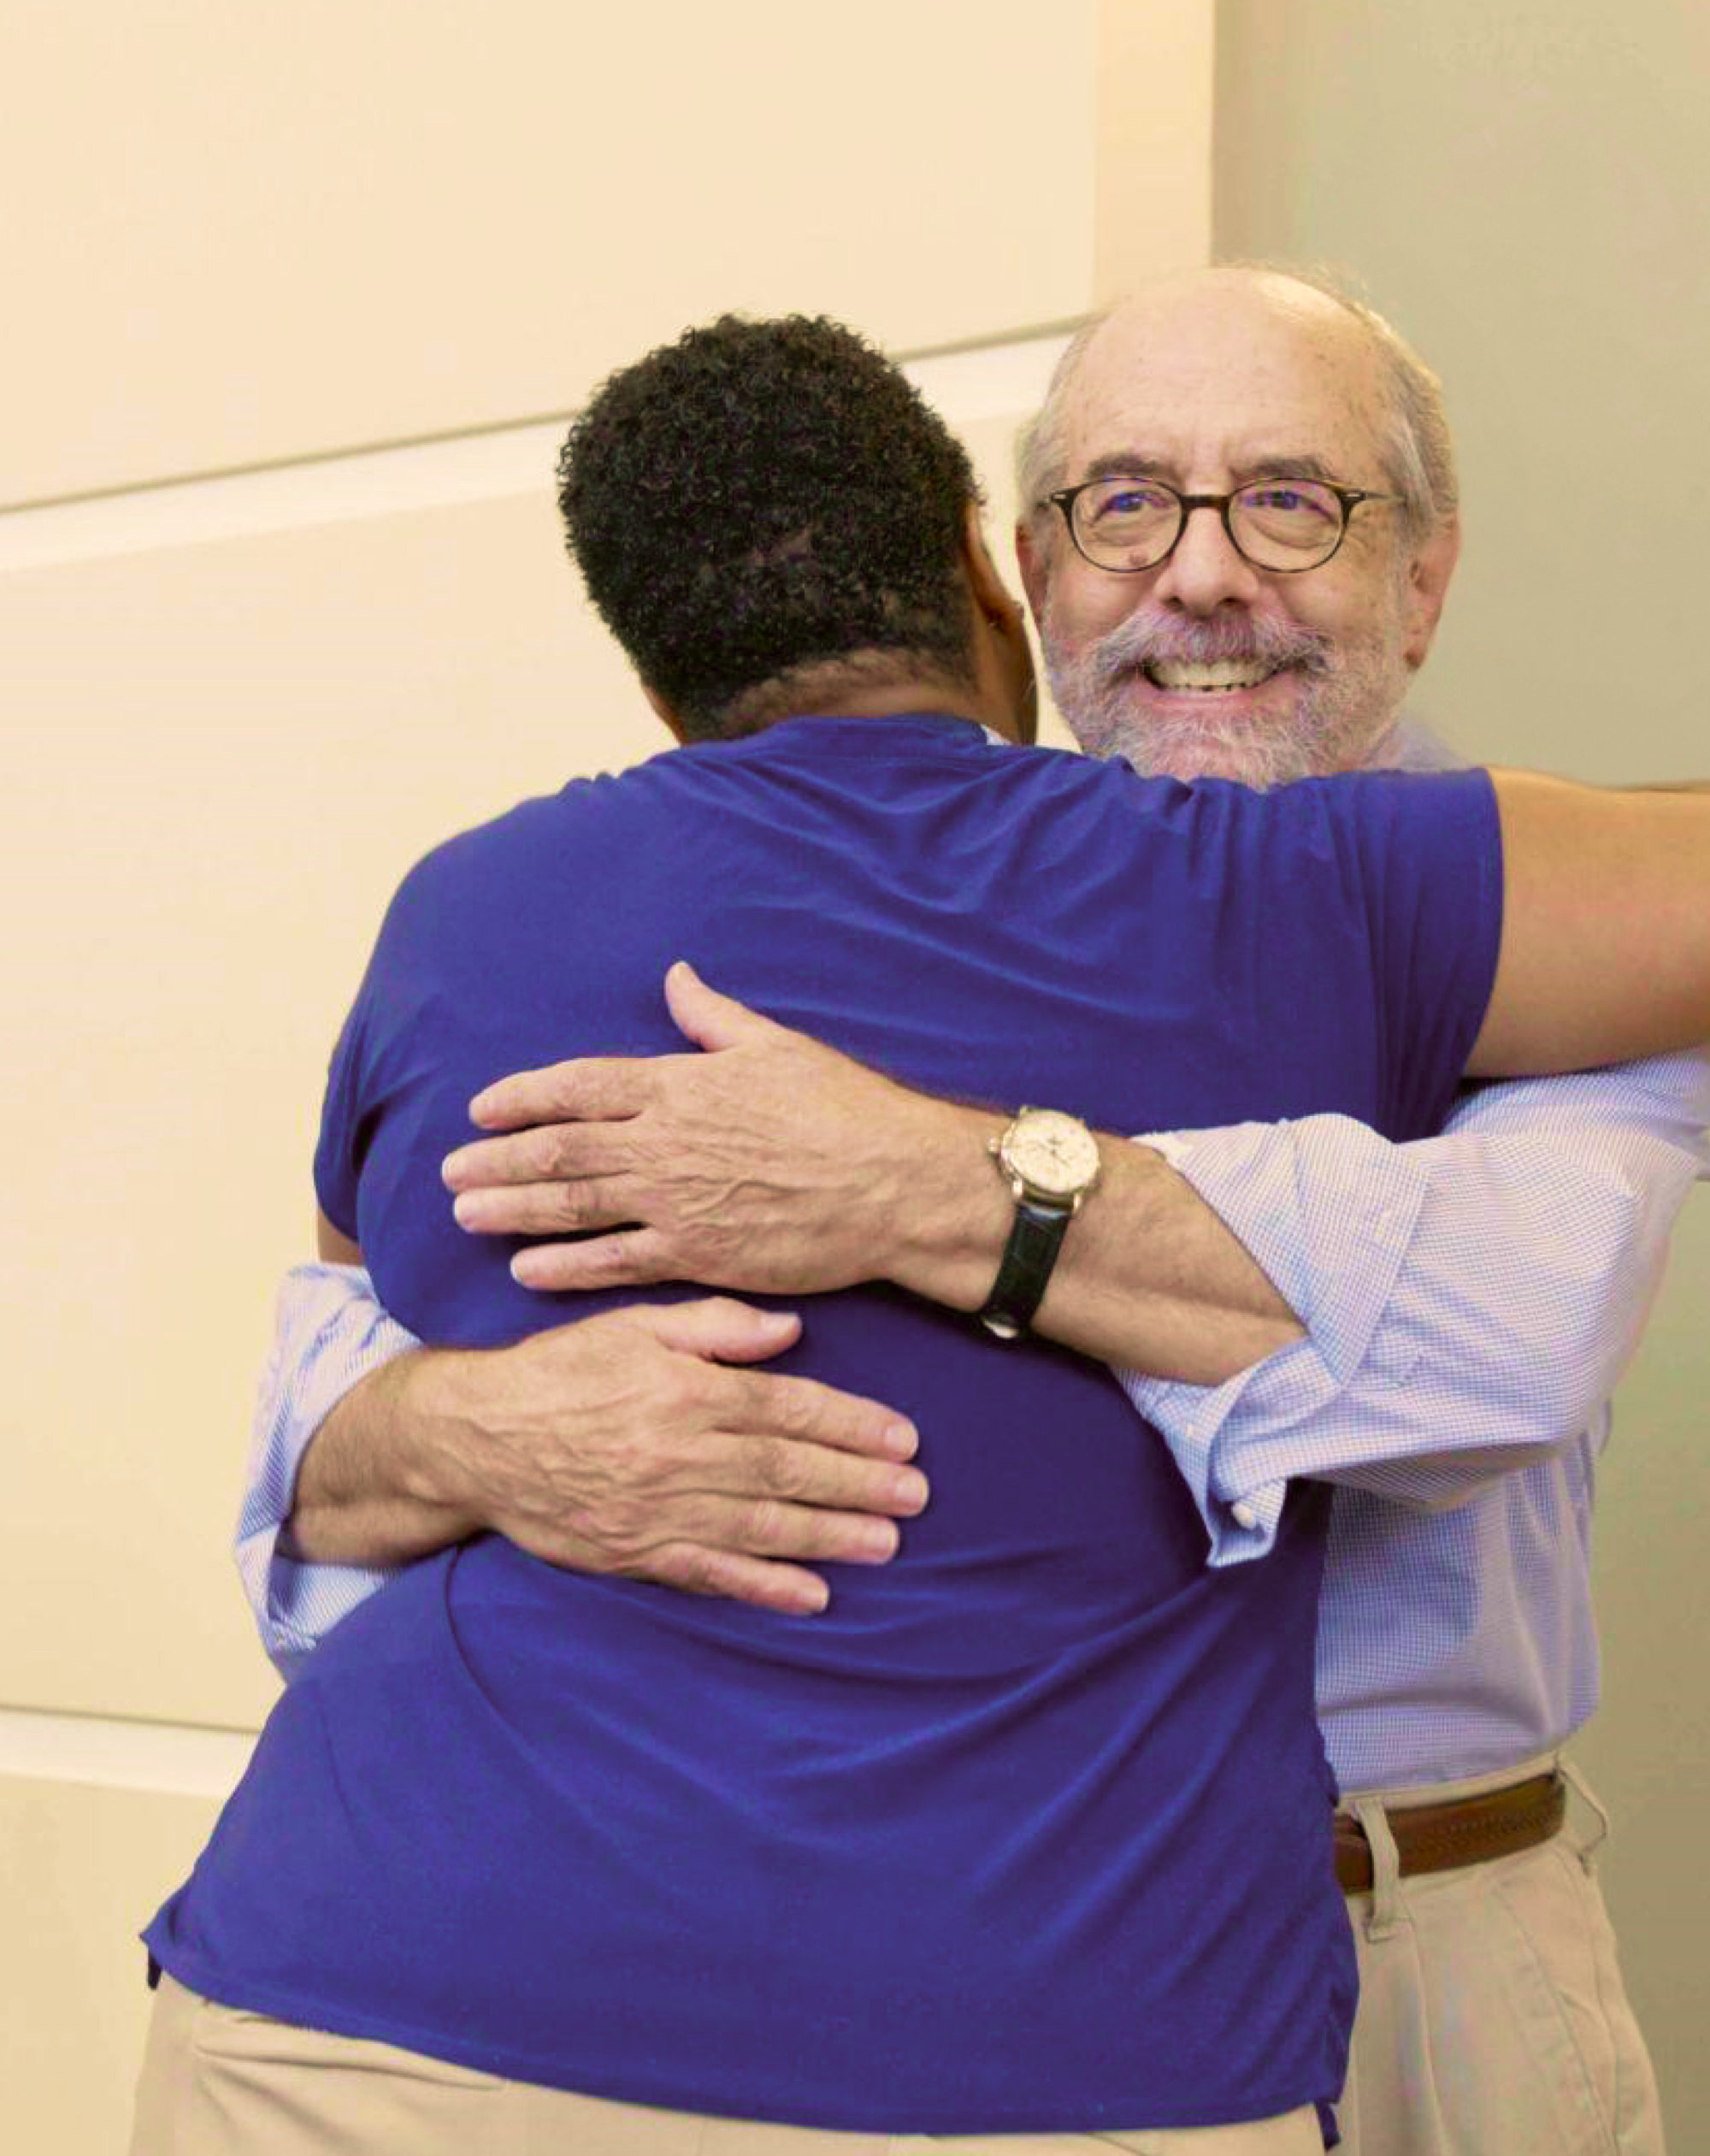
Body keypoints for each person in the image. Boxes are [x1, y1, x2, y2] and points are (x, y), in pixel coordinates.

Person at [134, 309, 1710, 2153]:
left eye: (1292, 503)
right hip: (970, 2026)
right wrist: (478, 1426)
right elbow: (327, 1405)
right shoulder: (1296, 901)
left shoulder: (478, 906)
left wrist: (926, 1178)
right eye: (1126, 506)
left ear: (1418, 577)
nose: (1200, 572)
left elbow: (1487, 1356)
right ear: (1010, 568)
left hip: (355, 1986)